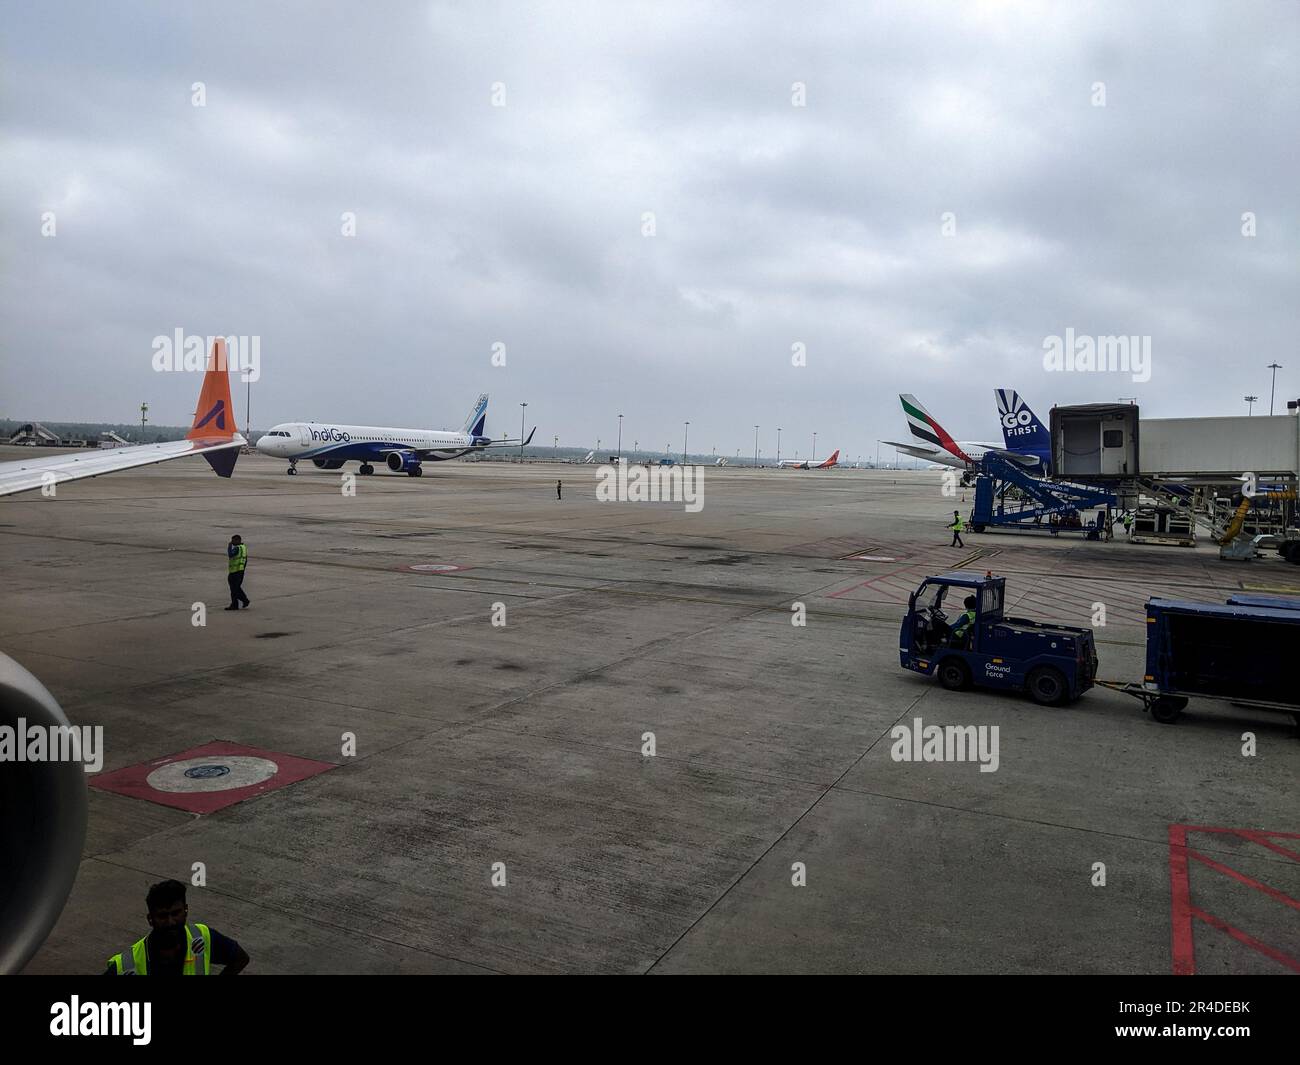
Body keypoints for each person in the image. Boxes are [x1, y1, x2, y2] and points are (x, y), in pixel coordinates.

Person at [105, 879, 248, 975]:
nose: (170, 922)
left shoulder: (200, 937)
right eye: (162, 916)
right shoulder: (127, 966)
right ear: (150, 919)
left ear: (186, 911)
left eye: (176, 913)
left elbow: (240, 958)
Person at [226, 534, 249, 610]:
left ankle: (236, 604)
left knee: (234, 589)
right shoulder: (244, 548)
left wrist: (229, 547)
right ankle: (244, 600)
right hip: (240, 571)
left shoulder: (237, 548)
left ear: (238, 540)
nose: (232, 542)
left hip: (235, 572)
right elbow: (245, 560)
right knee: (236, 588)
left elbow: (230, 555)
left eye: (233, 540)